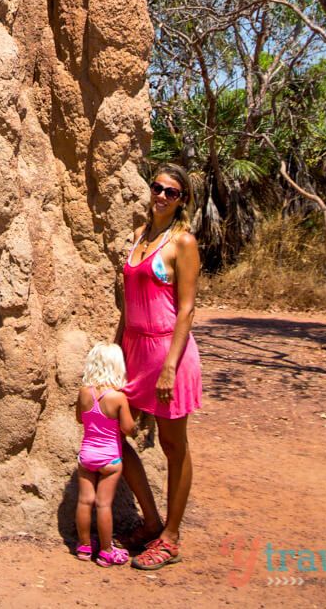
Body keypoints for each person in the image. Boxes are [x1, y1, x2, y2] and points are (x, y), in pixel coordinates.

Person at [116, 163, 202, 570]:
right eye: (158, 188)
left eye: (172, 191)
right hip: (134, 351)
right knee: (112, 427)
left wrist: (170, 366)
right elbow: (127, 303)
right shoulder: (138, 238)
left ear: (182, 199)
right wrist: (117, 351)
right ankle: (150, 522)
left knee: (173, 447)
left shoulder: (183, 242)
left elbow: (186, 310)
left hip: (169, 352)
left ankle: (170, 536)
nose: (163, 196)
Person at [74, 342, 136, 567]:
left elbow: (80, 418)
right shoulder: (118, 398)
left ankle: (83, 547)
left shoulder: (83, 392)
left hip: (87, 456)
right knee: (102, 504)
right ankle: (107, 551)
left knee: (84, 500)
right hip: (110, 458)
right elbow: (128, 428)